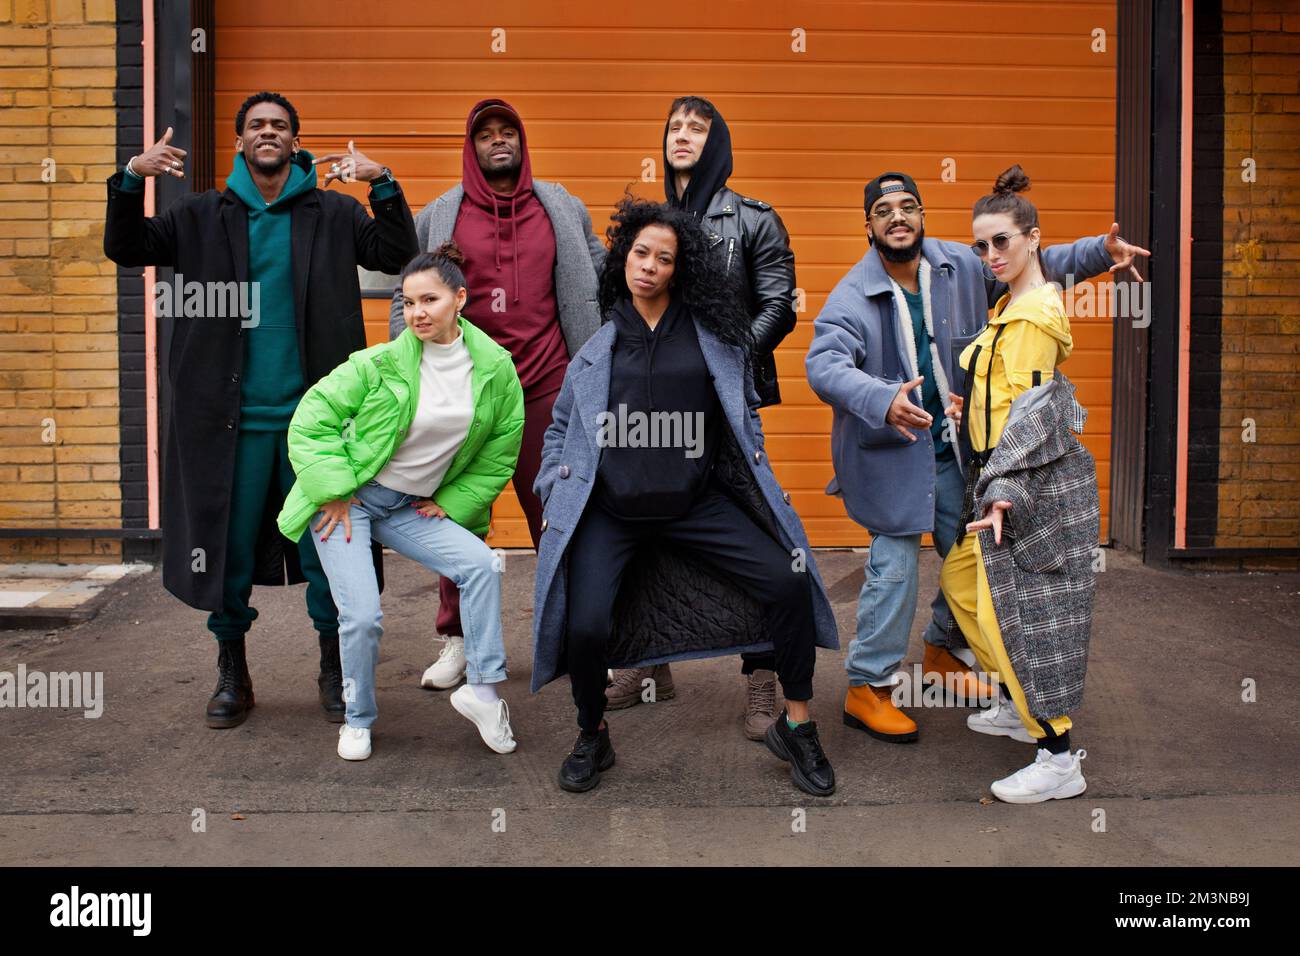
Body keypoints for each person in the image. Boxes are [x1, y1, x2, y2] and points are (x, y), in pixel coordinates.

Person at [103, 91, 417, 729]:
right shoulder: (197, 217)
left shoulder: (332, 214)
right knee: (229, 550)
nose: (267, 133)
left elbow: (397, 256)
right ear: (241, 141)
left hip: (318, 424)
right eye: (255, 126)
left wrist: (381, 182)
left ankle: (333, 670)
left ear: (294, 142)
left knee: (329, 550)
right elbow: (126, 246)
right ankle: (232, 672)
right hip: (230, 423)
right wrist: (132, 175)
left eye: (279, 126)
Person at [805, 171, 1149, 743]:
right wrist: (882, 398)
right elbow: (824, 365)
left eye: (908, 207)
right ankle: (869, 687)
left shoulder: (957, 264)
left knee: (968, 557)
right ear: (868, 225)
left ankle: (942, 653)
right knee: (895, 569)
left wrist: (1098, 252)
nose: (898, 217)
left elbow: (1027, 261)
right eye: (884, 209)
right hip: (896, 456)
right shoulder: (851, 295)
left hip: (959, 453)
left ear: (922, 216)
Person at [531, 198, 840, 797]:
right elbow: (559, 429)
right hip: (611, 512)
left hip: (697, 507)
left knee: (789, 580)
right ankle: (592, 732)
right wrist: (552, 490)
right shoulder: (596, 350)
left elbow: (742, 418)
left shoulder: (714, 342)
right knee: (586, 625)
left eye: (663, 258)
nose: (648, 266)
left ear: (681, 268)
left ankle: (797, 725)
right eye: (640, 253)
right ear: (623, 258)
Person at [385, 99, 606, 693]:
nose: (498, 142)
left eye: (508, 132)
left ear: (523, 142)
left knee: (559, 515)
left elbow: (603, 279)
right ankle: (458, 641)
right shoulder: (441, 215)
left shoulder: (560, 207)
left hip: (548, 386)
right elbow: (407, 292)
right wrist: (405, 384)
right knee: (455, 516)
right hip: (465, 390)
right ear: (471, 146)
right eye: (486, 135)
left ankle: (572, 634)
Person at [278, 243, 524, 760]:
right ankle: (358, 718)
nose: (416, 313)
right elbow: (311, 418)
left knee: (481, 564)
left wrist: (453, 502)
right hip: (348, 501)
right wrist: (335, 489)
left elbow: (502, 446)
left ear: (460, 298)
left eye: (429, 300)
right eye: (408, 303)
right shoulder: (380, 363)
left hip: (410, 505)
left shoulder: (495, 369)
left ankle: (482, 691)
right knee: (363, 616)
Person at [604, 96, 800, 738]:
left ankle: (763, 679)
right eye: (674, 127)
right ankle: (648, 663)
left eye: (697, 128)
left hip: (728, 409)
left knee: (759, 532)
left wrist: (728, 361)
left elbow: (780, 306)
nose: (682, 136)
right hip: (653, 409)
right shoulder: (649, 224)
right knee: (646, 524)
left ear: (717, 143)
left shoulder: (753, 219)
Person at [940, 166, 1102, 802]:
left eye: (1001, 241)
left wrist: (1008, 492)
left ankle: (1057, 754)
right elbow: (1008, 396)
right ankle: (1015, 702)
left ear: (1034, 239)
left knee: (1017, 618)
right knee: (962, 586)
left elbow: (1035, 418)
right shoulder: (1011, 305)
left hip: (1022, 489)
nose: (989, 255)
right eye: (980, 245)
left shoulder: (1033, 314)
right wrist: (970, 407)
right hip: (996, 480)